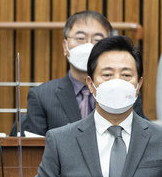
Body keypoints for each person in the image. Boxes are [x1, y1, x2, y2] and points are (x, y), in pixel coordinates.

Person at [32, 36, 162, 177]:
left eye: (126, 75)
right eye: (107, 75)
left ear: (139, 85)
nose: (117, 83)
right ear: (90, 84)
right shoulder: (60, 141)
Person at [16, 10, 145, 136]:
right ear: (65, 46)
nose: (88, 45)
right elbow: (33, 151)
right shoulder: (42, 96)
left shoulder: (126, 90)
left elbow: (142, 136)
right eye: (80, 38)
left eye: (97, 39)